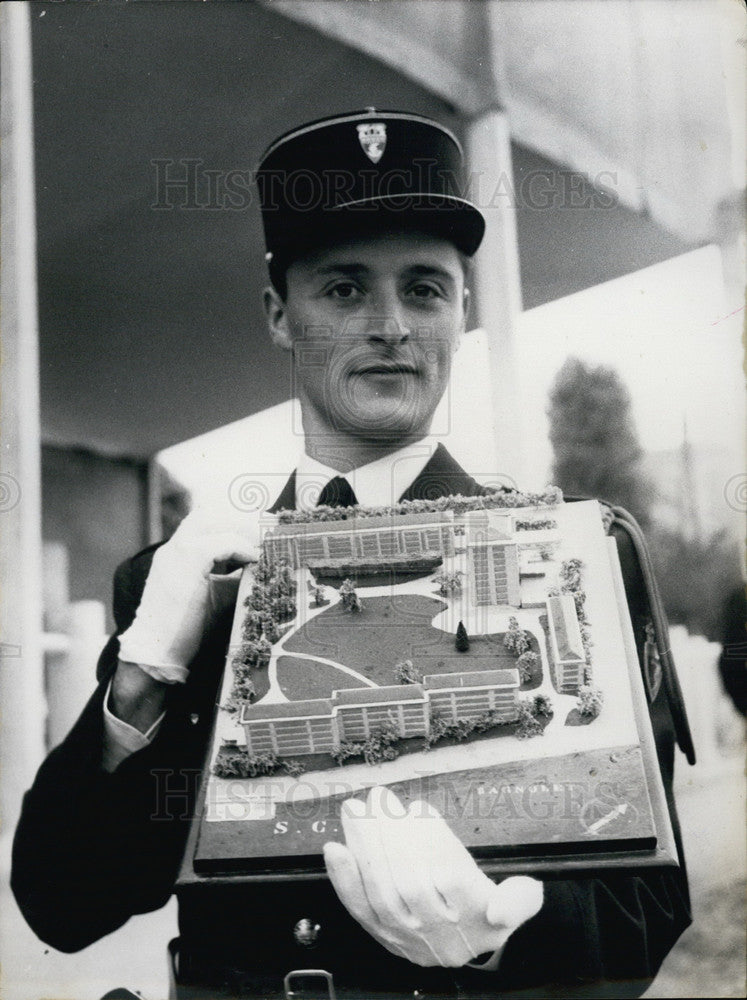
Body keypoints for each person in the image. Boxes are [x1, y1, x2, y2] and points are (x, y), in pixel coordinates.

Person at [12, 110, 692, 999]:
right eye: (342, 290)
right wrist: (138, 683)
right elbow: (64, 907)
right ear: (277, 315)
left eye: (423, 288)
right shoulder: (182, 583)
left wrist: (493, 941)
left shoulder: (567, 556)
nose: (390, 326)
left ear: (461, 311)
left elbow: (641, 918)